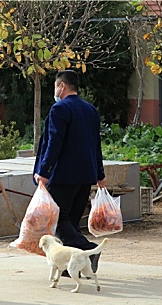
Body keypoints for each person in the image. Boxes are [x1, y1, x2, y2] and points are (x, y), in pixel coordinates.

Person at [33, 69, 107, 274]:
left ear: (62, 86)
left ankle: (88, 249)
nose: (55, 90)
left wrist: (44, 171)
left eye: (56, 86)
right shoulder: (90, 110)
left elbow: (54, 143)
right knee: (71, 220)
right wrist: (99, 173)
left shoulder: (59, 109)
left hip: (63, 175)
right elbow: (95, 143)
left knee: (57, 220)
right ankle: (69, 265)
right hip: (85, 175)